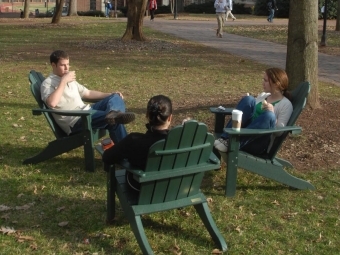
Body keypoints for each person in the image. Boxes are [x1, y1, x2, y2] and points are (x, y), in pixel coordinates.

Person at [41, 50, 135, 144]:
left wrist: (110, 94)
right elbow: (52, 103)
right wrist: (63, 81)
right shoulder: (48, 83)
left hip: (86, 111)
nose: (67, 68)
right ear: (53, 65)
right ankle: (126, 152)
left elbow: (88, 93)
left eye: (68, 64)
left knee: (115, 96)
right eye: (63, 65)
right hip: (76, 121)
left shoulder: (69, 79)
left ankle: (114, 114)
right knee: (115, 122)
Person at [214, 68, 293, 155]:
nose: (263, 83)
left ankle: (232, 143)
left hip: (256, 142)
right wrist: (246, 101)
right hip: (243, 133)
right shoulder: (263, 96)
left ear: (276, 84)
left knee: (269, 116)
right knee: (249, 99)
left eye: (266, 81)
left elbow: (279, 132)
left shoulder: (286, 105)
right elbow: (249, 113)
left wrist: (272, 112)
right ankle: (225, 138)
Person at [102, 95, 173, 191]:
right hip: (172, 188)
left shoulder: (134, 140)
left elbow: (107, 157)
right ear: (169, 118)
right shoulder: (181, 141)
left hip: (140, 189)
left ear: (147, 116)